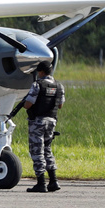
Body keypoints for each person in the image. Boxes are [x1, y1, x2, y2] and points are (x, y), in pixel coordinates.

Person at [21, 60, 65, 193]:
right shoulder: (59, 86)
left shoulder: (37, 85)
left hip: (37, 122)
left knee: (37, 151)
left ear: (40, 72)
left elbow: (28, 104)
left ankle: (41, 183)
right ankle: (53, 181)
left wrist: (25, 102)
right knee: (47, 149)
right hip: (51, 121)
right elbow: (60, 105)